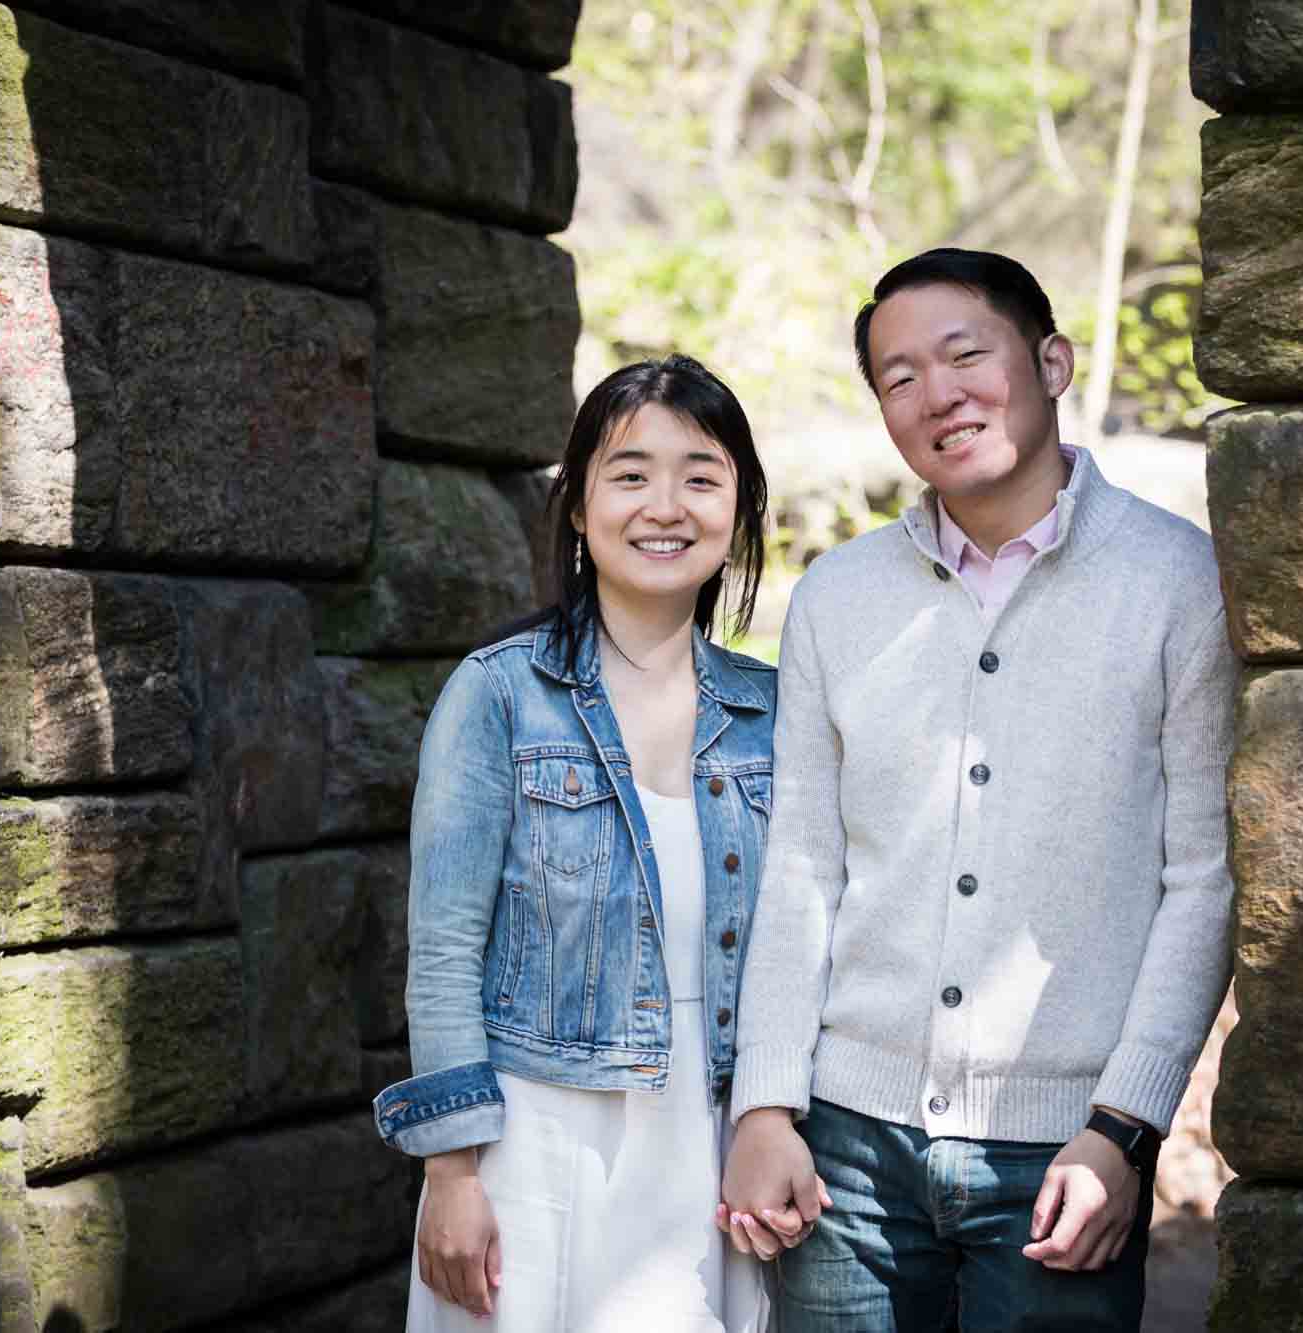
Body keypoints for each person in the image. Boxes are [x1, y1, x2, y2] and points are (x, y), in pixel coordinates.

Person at [719, 248, 1237, 1330]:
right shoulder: (836, 596)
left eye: (965, 355)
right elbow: (804, 860)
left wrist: (1124, 1127)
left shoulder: (1177, 583)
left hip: (1062, 1151)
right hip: (844, 1154)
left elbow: (1200, 878)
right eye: (897, 377)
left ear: (1048, 361)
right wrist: (764, 1103)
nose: (935, 394)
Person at [376, 354, 801, 1330]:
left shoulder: (773, 712)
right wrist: (449, 1167)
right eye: (629, 474)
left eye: (700, 476)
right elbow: (442, 947)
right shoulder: (497, 694)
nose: (665, 505)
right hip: (534, 1140)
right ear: (577, 509)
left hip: (714, 1134)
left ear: (738, 512)